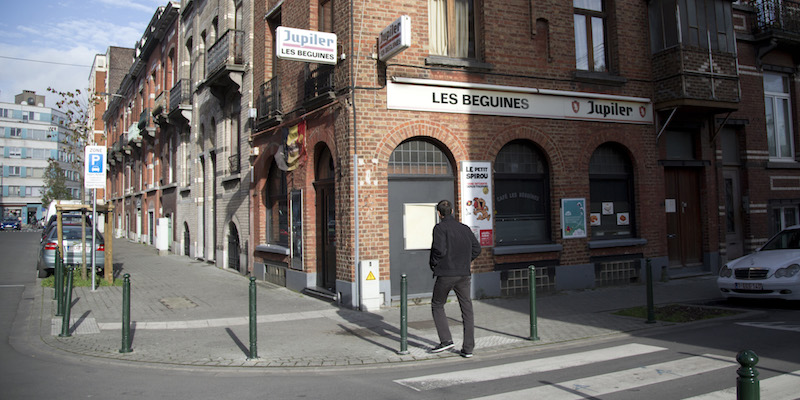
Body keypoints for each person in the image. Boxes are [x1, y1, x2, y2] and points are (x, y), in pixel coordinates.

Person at [428, 199, 481, 358]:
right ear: (452, 211)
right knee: (467, 308)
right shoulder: (464, 228)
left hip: (446, 273)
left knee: (437, 304)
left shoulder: (439, 228)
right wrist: (465, 261)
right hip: (463, 274)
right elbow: (477, 249)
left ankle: (446, 340)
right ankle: (468, 348)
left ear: (439, 214)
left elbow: (439, 249)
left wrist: (434, 264)